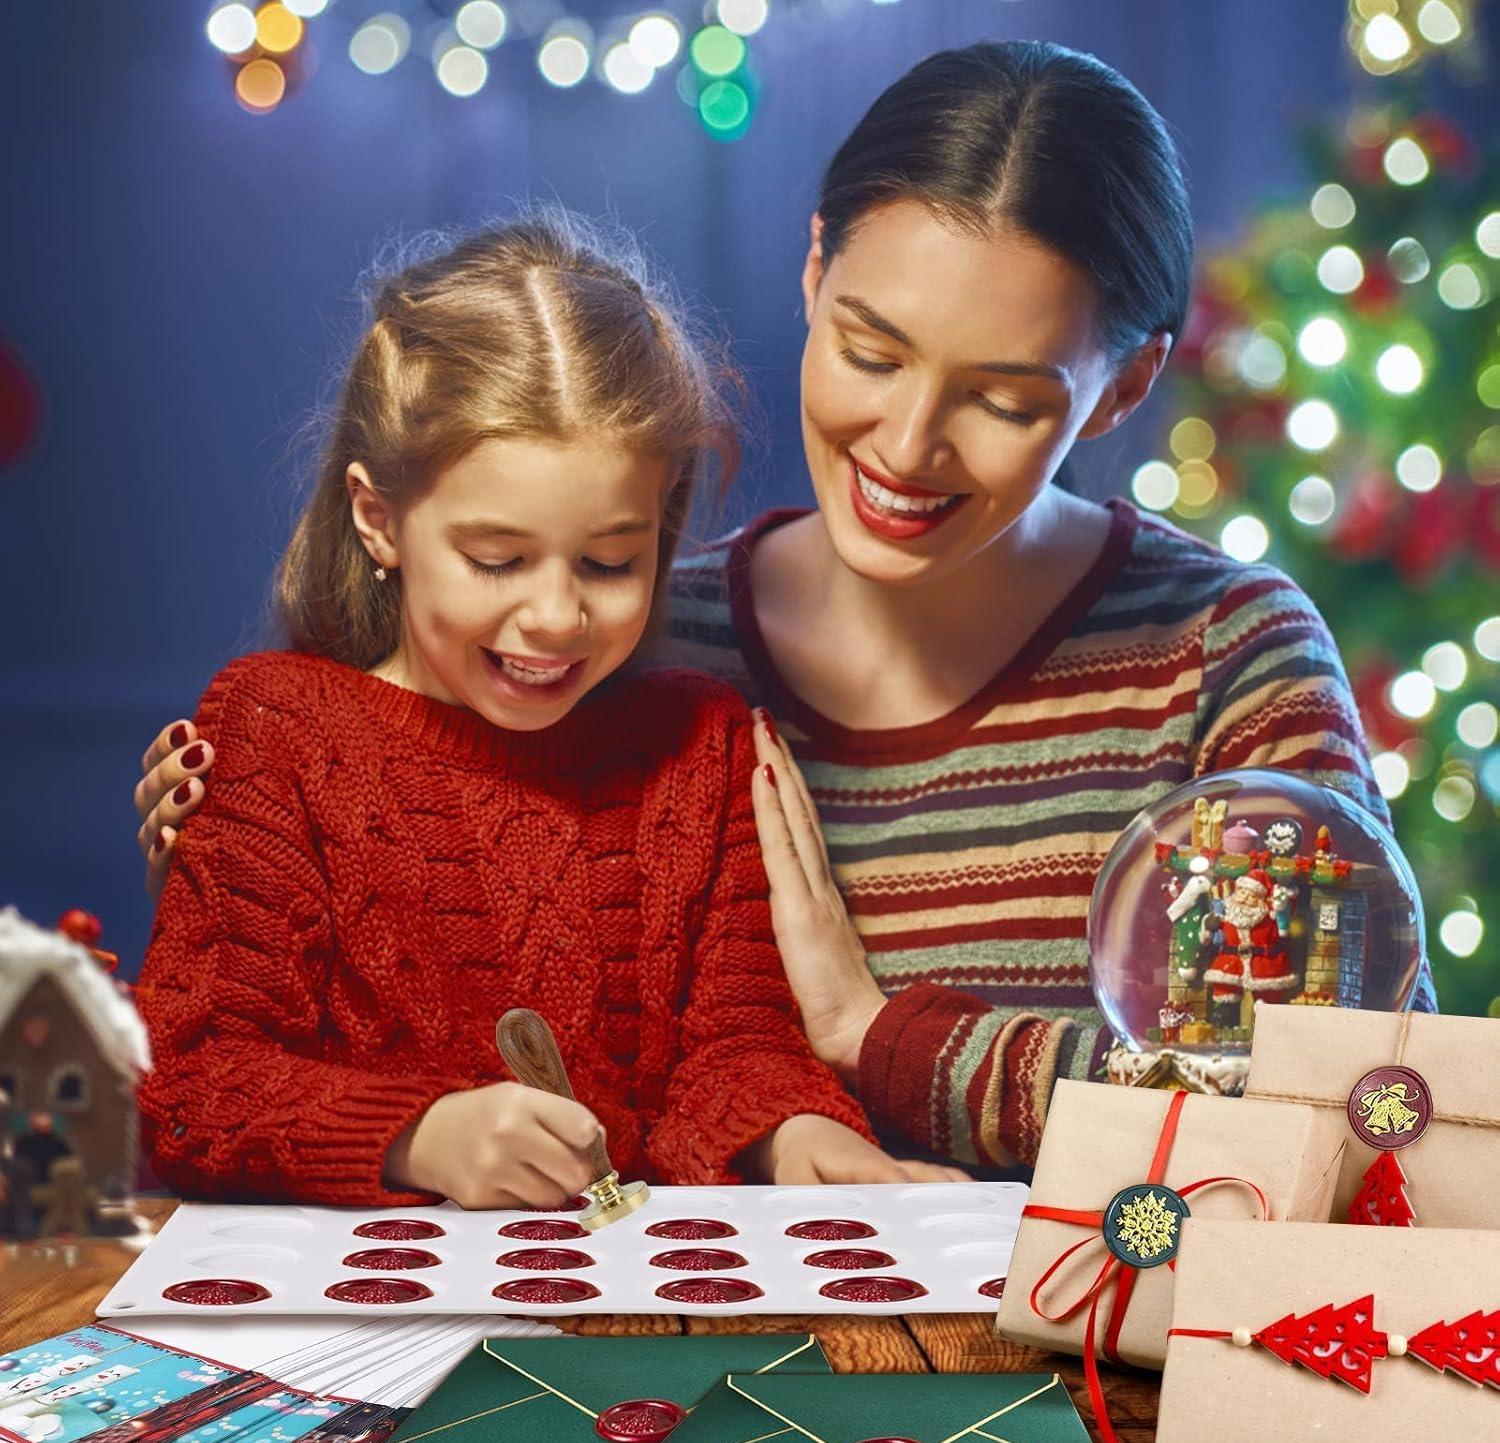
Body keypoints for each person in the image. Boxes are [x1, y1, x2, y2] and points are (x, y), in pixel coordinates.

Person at [135, 42, 1430, 1179]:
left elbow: (1349, 1104)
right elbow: (407, 892)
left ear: (1122, 384)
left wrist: (884, 1037)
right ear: (813, 268)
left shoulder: (1220, 656)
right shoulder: (630, 649)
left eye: (1004, 398)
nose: (907, 444)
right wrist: (237, 855)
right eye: (871, 351)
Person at [131, 213, 960, 1212]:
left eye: (611, 562)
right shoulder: (277, 730)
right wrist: (420, 1138)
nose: (558, 615)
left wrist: (797, 1132)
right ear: (378, 519)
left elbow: (736, 1046)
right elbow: (188, 1084)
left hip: (637, 1315)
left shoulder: (700, 746)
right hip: (373, 1324)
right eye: (497, 561)